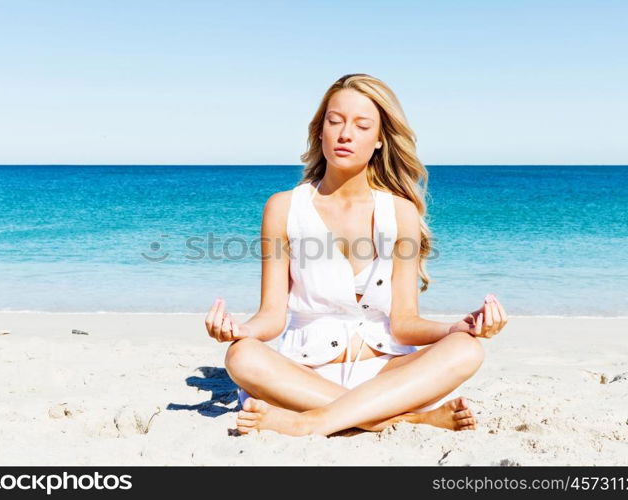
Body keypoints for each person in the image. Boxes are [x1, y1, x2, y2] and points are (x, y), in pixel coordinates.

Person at [204, 73, 508, 437]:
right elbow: (272, 315)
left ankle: (314, 421)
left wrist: (459, 327)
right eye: (335, 122)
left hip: (386, 373)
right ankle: (402, 418)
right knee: (241, 355)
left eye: (362, 126)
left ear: (380, 139)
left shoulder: (401, 213)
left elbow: (405, 322)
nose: (345, 134)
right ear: (320, 131)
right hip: (306, 375)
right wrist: (241, 330)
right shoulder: (284, 207)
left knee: (466, 349)